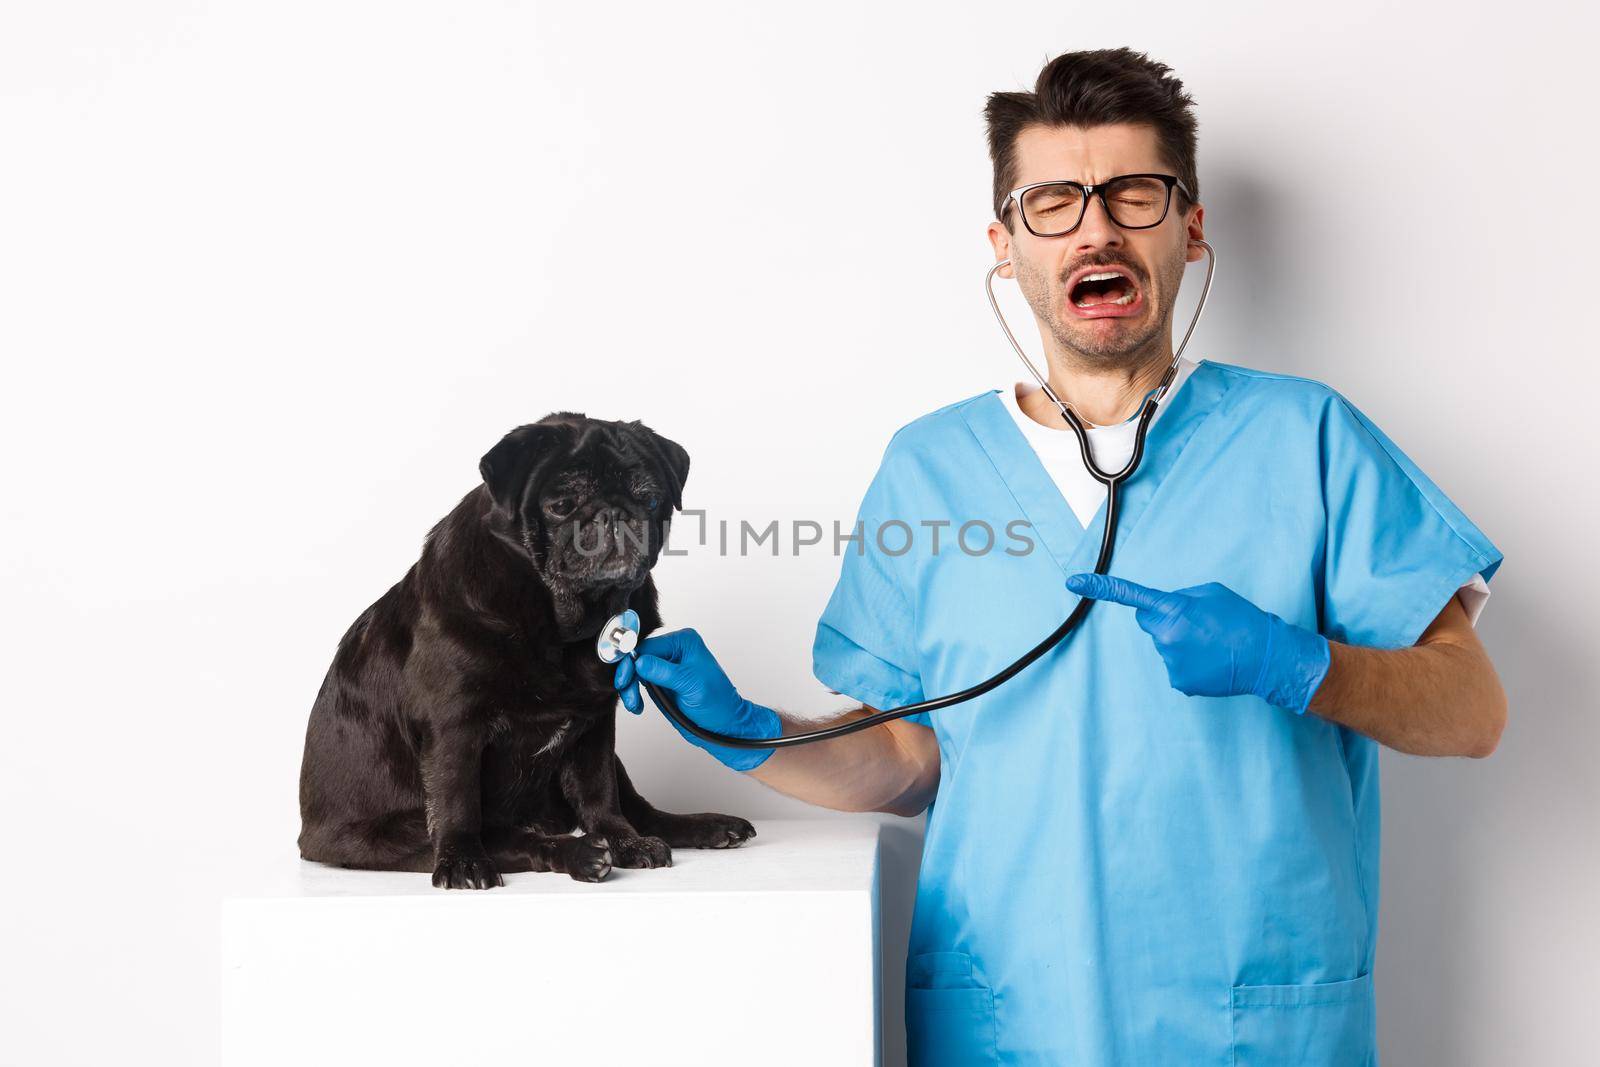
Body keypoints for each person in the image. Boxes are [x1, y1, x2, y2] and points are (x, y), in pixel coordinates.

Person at [612, 47, 1505, 1066]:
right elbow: (910, 758)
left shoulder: (1308, 440)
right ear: (1004, 244)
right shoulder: (931, 468)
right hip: (1012, 1024)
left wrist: (1292, 663)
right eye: (1053, 202)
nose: (1096, 226)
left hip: (1252, 1025)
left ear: (1190, 228)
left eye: (1133, 194)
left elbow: (1472, 711)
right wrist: (753, 734)